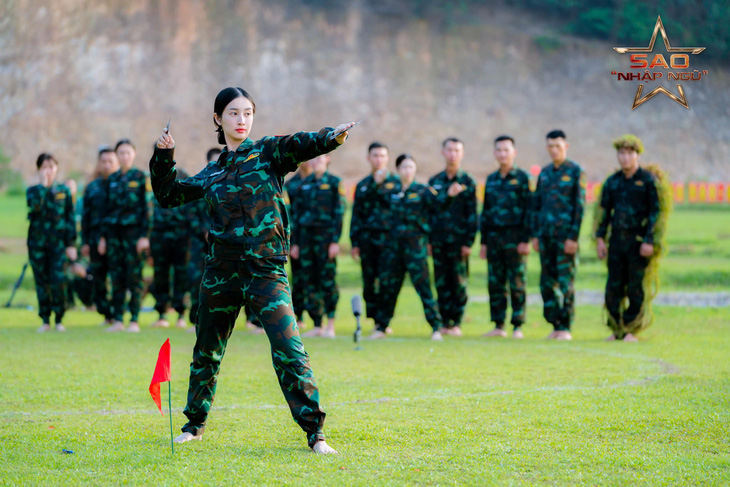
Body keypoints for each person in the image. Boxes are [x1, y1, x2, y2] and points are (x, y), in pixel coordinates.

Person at [151, 86, 354, 454]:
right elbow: (169, 196)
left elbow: (299, 144)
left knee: (289, 348)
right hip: (221, 273)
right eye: (232, 113)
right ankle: (194, 425)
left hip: (266, 271)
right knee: (206, 351)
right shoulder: (212, 172)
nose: (241, 120)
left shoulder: (268, 153)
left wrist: (331, 137)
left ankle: (315, 433)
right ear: (218, 119)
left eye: (247, 113)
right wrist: (164, 158)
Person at [370, 154, 462, 341]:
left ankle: (436, 327)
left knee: (423, 287)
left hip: (415, 247)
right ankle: (382, 326)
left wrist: (450, 196)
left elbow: (439, 204)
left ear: (415, 169)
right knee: (389, 287)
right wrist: (377, 185)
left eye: (411, 167)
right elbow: (376, 202)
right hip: (394, 248)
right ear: (398, 170)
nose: (407, 171)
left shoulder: (422, 191)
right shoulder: (391, 190)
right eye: (404, 167)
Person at [595, 135, 660, 342]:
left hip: (639, 242)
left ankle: (631, 330)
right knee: (613, 286)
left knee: (635, 286)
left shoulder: (648, 180)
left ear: (637, 155)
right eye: (621, 153)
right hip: (616, 242)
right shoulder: (612, 182)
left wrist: (649, 241)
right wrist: (599, 239)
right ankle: (616, 329)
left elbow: (655, 213)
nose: (625, 158)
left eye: (629, 153)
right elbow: (604, 213)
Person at [531, 130, 586, 340]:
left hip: (565, 238)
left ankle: (566, 326)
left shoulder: (575, 171)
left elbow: (579, 208)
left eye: (558, 146)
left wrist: (573, 237)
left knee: (565, 283)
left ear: (566, 146)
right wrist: (535, 234)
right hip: (545, 237)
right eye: (550, 146)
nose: (554, 150)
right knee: (547, 283)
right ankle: (554, 324)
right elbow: (537, 205)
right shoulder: (544, 173)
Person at [479, 135, 531, 339]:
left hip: (515, 238)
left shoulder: (522, 178)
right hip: (493, 239)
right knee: (495, 282)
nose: (502, 154)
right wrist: (483, 242)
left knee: (517, 282)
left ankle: (517, 325)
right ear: (494, 153)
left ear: (514, 152)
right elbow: (486, 212)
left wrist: (525, 239)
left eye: (506, 150)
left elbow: (529, 210)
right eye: (499, 150)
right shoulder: (491, 180)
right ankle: (498, 324)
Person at [100, 139, 151, 332]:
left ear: (134, 154)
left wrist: (144, 236)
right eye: (121, 153)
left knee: (134, 276)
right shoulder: (111, 180)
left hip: (133, 236)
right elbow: (106, 211)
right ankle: (119, 319)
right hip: (114, 236)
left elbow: (147, 209)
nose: (124, 156)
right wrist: (104, 237)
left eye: (128, 153)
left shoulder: (140, 177)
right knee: (116, 277)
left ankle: (135, 319)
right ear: (116, 156)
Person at [428, 137, 478, 336]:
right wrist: (429, 240)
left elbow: (472, 214)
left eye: (457, 150)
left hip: (459, 242)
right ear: (443, 152)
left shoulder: (468, 182)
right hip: (439, 240)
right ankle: (444, 321)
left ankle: (456, 322)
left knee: (458, 281)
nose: (453, 154)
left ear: (462, 153)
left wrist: (468, 242)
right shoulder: (435, 181)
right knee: (441, 281)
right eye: (449, 150)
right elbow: (430, 211)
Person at [292, 154, 344, 338]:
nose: (316, 162)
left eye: (320, 158)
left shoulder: (334, 182)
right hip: (306, 238)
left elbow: (338, 214)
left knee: (327, 279)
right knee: (309, 281)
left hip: (325, 239)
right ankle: (317, 323)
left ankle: (330, 322)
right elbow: (296, 216)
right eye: (313, 159)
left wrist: (334, 241)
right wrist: (295, 243)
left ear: (328, 159)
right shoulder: (303, 185)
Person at [350, 142, 398, 332]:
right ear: (369, 158)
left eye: (382, 156)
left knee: (387, 281)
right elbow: (357, 215)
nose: (379, 159)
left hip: (388, 240)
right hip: (367, 240)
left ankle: (383, 321)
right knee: (369, 282)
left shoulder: (395, 182)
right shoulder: (363, 185)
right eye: (375, 155)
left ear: (387, 159)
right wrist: (355, 243)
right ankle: (375, 318)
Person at [26, 153, 77, 332]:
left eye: (51, 167)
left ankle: (59, 318)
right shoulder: (32, 191)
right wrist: (44, 187)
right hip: (37, 245)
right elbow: (34, 208)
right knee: (42, 282)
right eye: (44, 167)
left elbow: (70, 218)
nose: (48, 170)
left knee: (58, 281)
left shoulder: (64, 191)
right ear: (39, 170)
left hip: (58, 245)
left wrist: (71, 244)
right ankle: (45, 320)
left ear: (57, 168)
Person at [150, 167, 192, 329]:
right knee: (160, 274)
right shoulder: (152, 178)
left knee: (181, 274)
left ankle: (181, 313)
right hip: (159, 235)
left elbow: (190, 201)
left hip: (180, 234)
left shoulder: (182, 175)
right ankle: (162, 314)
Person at [81, 148, 119, 325]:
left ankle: (118, 314)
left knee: (118, 278)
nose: (107, 165)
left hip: (117, 240)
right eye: (103, 161)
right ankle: (106, 314)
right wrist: (85, 242)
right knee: (98, 278)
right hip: (95, 240)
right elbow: (85, 217)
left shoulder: (120, 185)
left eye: (110, 161)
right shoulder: (92, 187)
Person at [186, 148, 220, 333]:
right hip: (200, 245)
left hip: (223, 244)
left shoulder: (230, 184)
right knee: (196, 281)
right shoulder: (199, 184)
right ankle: (196, 321)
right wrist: (204, 232)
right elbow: (190, 215)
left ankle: (216, 323)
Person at [284, 160, 314, 330]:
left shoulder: (319, 182)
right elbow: (288, 216)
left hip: (314, 240)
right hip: (297, 241)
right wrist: (292, 242)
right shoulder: (291, 185)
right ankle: (299, 314)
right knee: (298, 278)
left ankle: (319, 318)